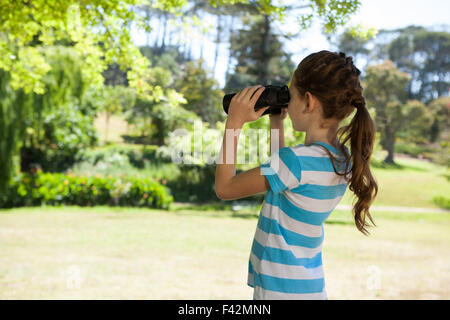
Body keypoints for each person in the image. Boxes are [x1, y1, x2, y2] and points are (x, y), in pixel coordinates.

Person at [215, 50, 378, 300]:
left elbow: (225, 188)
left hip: (278, 291)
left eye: (289, 95)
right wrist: (277, 121)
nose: (287, 103)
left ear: (309, 102)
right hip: (308, 288)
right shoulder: (341, 160)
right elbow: (282, 179)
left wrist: (234, 124)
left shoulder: (296, 162)